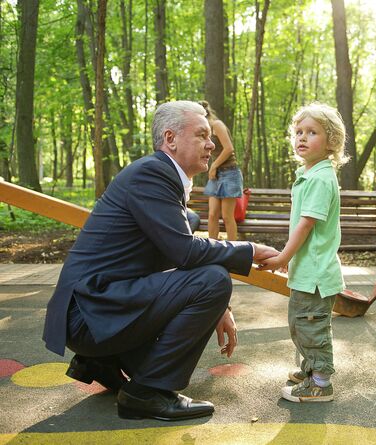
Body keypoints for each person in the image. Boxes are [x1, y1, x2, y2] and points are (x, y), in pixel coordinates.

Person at [42, 100, 279, 421]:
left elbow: (175, 251)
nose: (212, 144)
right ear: (170, 139)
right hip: (90, 316)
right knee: (213, 281)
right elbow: (185, 252)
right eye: (202, 135)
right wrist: (248, 250)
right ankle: (148, 392)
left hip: (99, 312)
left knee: (195, 228)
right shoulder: (152, 174)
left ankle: (103, 360)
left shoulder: (163, 178)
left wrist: (223, 307)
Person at [258, 103, 347, 402]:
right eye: (298, 132)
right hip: (306, 270)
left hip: (317, 274)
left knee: (312, 326)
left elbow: (307, 224)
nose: (302, 138)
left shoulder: (321, 178)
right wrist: (291, 259)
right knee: (300, 323)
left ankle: (321, 382)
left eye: (312, 132)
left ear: (331, 141)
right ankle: (311, 368)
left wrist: (283, 256)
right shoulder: (309, 174)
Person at [200, 100, 242, 240]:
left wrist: (213, 165)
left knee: (227, 216)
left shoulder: (216, 125)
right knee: (212, 215)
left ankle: (233, 251)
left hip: (230, 173)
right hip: (216, 175)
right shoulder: (205, 131)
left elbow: (229, 148)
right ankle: (212, 248)